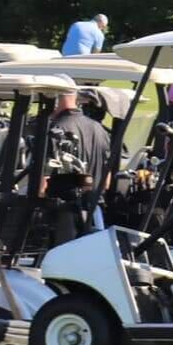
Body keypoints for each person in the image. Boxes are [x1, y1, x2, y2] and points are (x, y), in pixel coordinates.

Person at [41, 87, 111, 243]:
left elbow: (41, 186)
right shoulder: (101, 130)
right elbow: (106, 182)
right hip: (94, 214)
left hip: (64, 219)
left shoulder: (55, 130)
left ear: (56, 100)